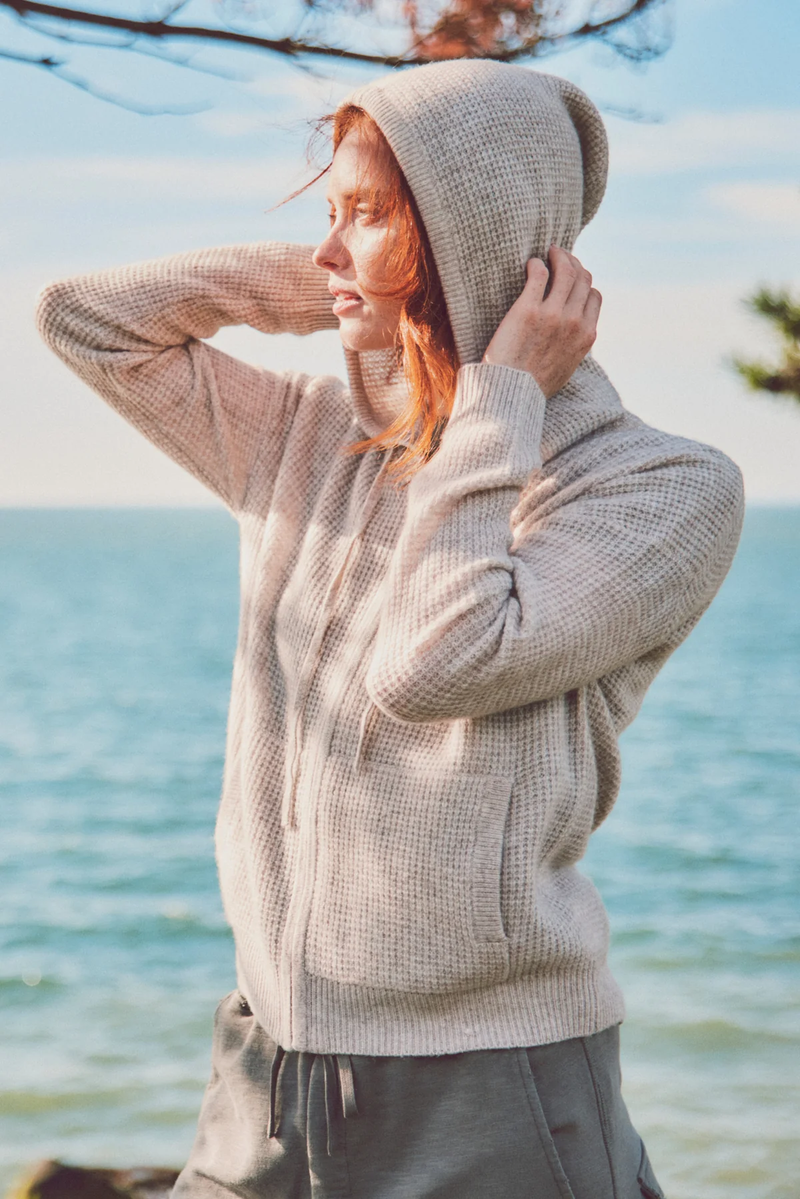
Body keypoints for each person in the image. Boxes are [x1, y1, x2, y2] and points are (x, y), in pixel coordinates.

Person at [35, 59, 745, 1199]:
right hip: (264, 1068)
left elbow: (434, 662)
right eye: (327, 212)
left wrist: (493, 391)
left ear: (466, 233)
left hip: (489, 1090)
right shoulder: (304, 435)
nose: (325, 247)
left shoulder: (659, 488)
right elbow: (84, 320)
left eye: (363, 214)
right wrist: (348, 280)